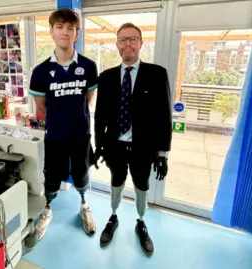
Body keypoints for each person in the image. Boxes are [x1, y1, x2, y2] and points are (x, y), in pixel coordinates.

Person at [94, 22, 172, 255]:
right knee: (116, 181)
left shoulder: (157, 74)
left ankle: (141, 221)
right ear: (117, 44)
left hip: (143, 147)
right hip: (114, 146)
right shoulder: (106, 77)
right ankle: (114, 216)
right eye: (122, 39)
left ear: (140, 43)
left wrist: (162, 153)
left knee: (141, 184)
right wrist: (98, 145)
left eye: (132, 39)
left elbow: (164, 116)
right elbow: (100, 115)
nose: (127, 44)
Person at [29, 8, 98, 240]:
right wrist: (58, 121)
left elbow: (87, 100)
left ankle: (84, 204)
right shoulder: (40, 72)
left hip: (81, 135)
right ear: (51, 32)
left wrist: (72, 116)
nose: (65, 32)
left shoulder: (89, 67)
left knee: (81, 174)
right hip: (55, 137)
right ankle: (47, 209)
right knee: (52, 176)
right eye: (60, 27)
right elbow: (40, 108)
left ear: (77, 34)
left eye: (71, 28)